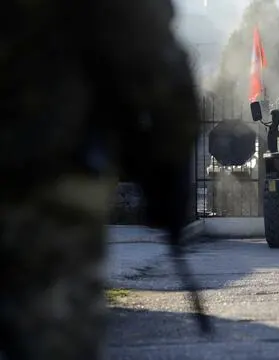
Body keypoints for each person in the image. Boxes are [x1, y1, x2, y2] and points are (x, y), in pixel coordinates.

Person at [0, 0, 201, 359]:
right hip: (49, 181)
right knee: (53, 335)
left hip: (44, 172)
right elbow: (156, 63)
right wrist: (168, 171)